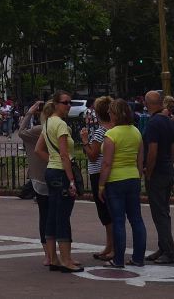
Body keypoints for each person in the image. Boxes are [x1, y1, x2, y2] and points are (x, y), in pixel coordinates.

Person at [99, 98, 148, 269]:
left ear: (114, 114)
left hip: (115, 179)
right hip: (133, 177)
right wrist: (138, 177)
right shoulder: (136, 132)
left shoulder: (111, 135)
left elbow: (106, 163)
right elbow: (140, 159)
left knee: (118, 220)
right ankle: (138, 257)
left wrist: (101, 185)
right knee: (136, 219)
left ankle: (119, 259)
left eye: (111, 113)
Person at [39, 90, 83, 273]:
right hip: (61, 173)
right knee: (63, 216)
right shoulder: (61, 125)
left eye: (70, 102)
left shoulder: (48, 121)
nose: (68, 106)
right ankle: (65, 260)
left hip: (51, 171)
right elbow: (64, 154)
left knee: (53, 215)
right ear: (56, 104)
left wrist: (52, 160)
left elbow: (38, 149)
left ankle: (54, 258)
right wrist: (71, 180)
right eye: (65, 102)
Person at [142, 90, 174, 264]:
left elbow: (152, 150)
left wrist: (148, 172)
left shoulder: (153, 123)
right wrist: (169, 164)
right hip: (167, 170)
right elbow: (173, 148)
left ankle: (169, 252)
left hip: (157, 173)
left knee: (159, 213)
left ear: (148, 104)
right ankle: (163, 247)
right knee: (164, 211)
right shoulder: (169, 122)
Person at [18, 101, 53, 269]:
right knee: (58, 216)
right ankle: (57, 251)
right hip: (57, 175)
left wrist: (30, 112)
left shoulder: (39, 130)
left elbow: (21, 131)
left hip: (40, 177)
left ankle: (48, 254)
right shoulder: (62, 129)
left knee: (44, 215)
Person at [83, 95, 115, 262]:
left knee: (104, 211)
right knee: (110, 210)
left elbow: (93, 155)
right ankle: (110, 245)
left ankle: (112, 246)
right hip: (112, 173)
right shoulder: (114, 129)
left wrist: (84, 141)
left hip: (98, 173)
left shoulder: (100, 131)